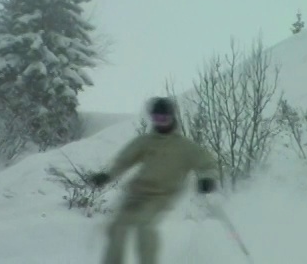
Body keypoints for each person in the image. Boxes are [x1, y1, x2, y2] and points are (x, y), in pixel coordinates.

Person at [90, 96, 218, 264]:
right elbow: (124, 160)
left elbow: (206, 162)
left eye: (164, 118)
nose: (161, 122)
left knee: (144, 226)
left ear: (172, 118)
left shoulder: (184, 146)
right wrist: (107, 175)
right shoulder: (146, 141)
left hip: (162, 195)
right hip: (137, 192)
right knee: (116, 227)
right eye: (157, 118)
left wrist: (207, 179)